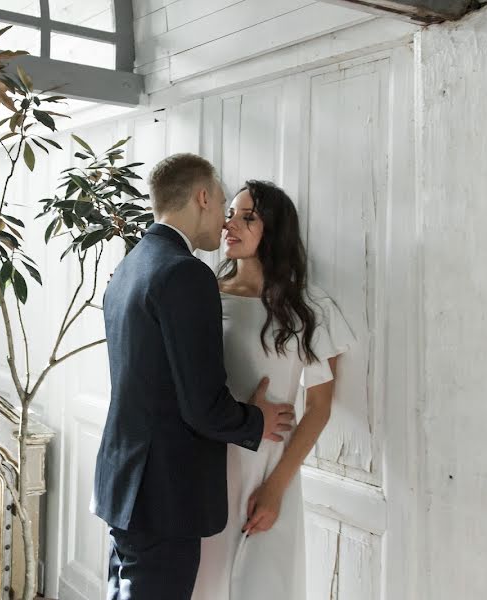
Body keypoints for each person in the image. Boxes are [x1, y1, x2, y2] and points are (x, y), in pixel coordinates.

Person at [91, 154, 295, 600]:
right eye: (223, 204)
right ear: (203, 197)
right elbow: (202, 405)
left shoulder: (131, 265)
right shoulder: (185, 273)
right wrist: (256, 419)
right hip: (164, 497)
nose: (225, 222)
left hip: (125, 486)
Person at [191, 180, 355, 600]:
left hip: (270, 473)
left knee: (265, 587)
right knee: (203, 586)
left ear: (275, 232)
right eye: (232, 214)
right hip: (208, 469)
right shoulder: (204, 295)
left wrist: (276, 488)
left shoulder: (309, 309)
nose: (231, 225)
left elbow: (319, 408)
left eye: (249, 218)